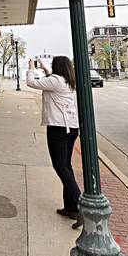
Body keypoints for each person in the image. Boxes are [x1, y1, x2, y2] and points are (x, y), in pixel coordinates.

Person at [26, 55, 81, 221]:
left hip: (58, 128)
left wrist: (31, 68)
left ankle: (80, 205)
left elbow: (31, 82)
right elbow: (52, 79)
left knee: (60, 167)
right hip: (71, 127)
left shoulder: (56, 81)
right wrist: (45, 69)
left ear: (57, 66)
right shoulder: (67, 81)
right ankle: (71, 208)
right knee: (66, 166)